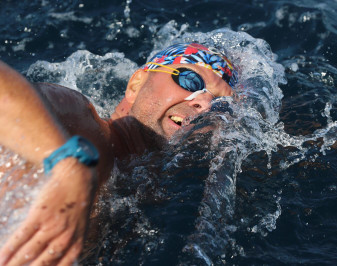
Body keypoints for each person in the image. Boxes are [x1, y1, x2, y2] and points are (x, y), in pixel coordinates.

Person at [0, 43, 238, 265]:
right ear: (136, 85)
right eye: (190, 80)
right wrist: (68, 164)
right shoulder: (79, 122)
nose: (205, 104)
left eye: (221, 104)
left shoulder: (150, 201)